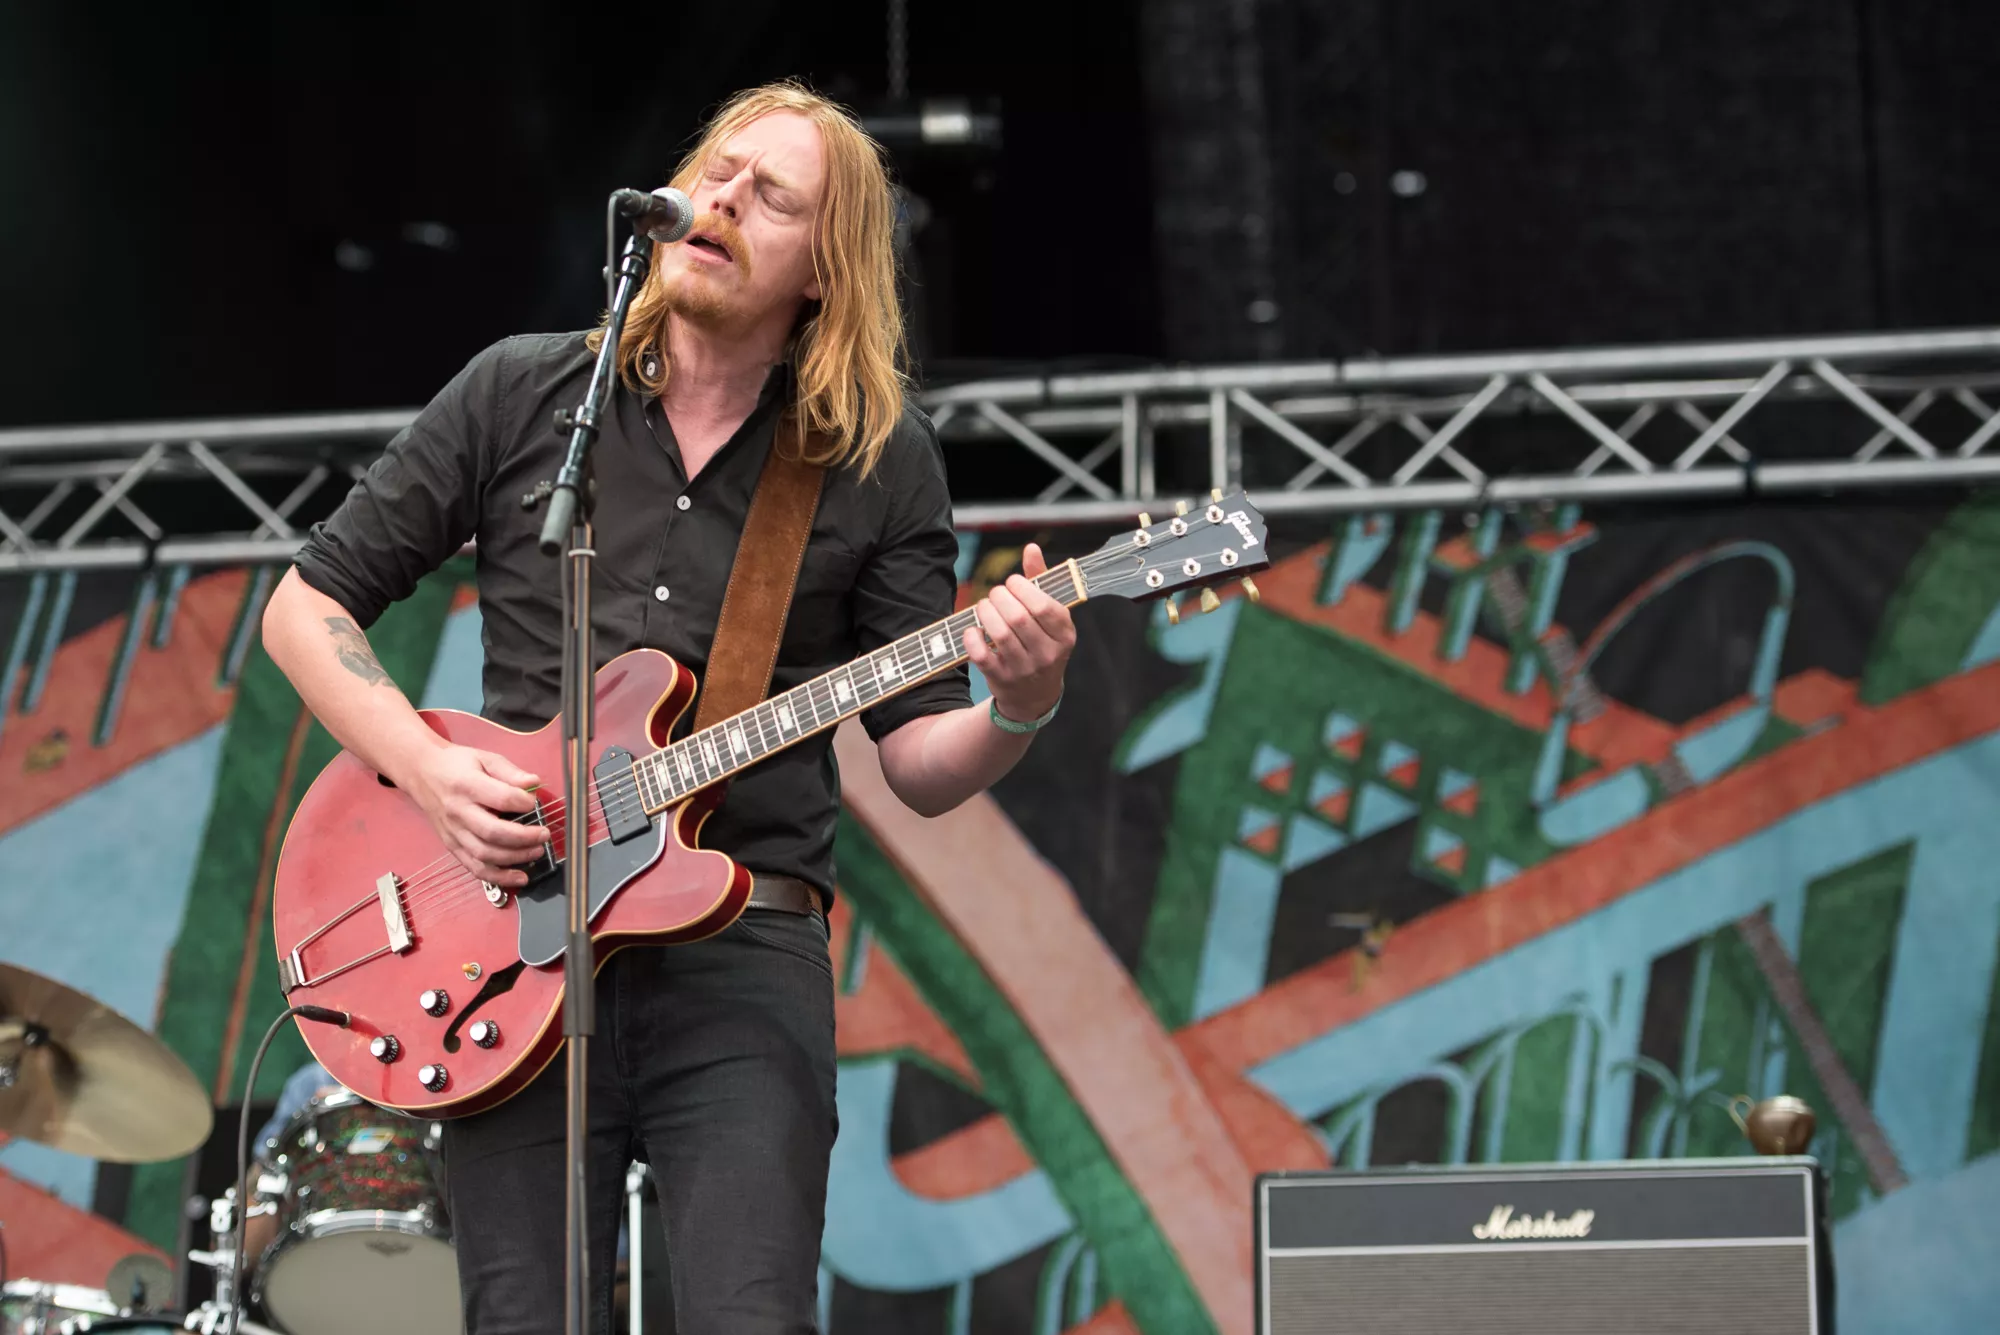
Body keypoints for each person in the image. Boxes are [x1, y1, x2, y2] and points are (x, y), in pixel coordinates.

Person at [260, 81, 1073, 1334]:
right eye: (717, 172)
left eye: (773, 196)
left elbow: (917, 758)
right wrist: (428, 773)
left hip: (741, 959)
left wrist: (1020, 702)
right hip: (506, 950)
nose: (725, 202)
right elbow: (305, 606)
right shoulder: (522, 394)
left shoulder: (872, 458)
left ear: (826, 269)